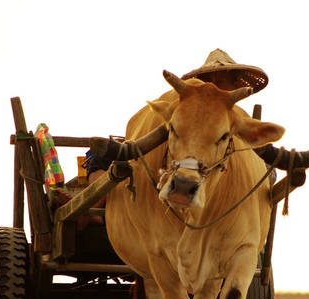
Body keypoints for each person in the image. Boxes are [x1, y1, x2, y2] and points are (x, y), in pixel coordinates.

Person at [77, 49, 271, 228]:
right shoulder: (182, 109)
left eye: (221, 81)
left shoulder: (239, 119)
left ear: (236, 86)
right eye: (207, 80)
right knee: (101, 155)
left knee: (267, 174)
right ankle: (91, 206)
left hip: (223, 212)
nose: (212, 86)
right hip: (165, 192)